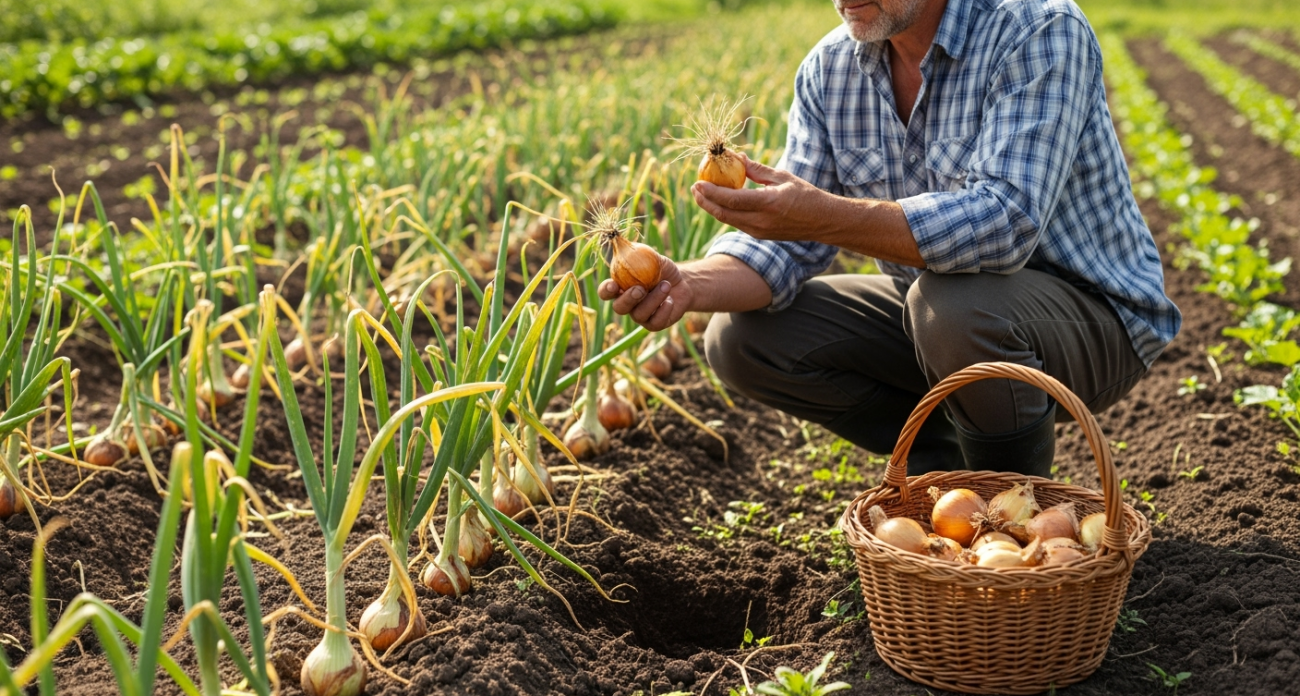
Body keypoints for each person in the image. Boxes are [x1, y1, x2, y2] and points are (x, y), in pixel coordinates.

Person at [598, 0, 1180, 477]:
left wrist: (825, 215)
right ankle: (941, 471)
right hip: (943, 322)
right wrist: (687, 284)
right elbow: (788, 245)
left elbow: (1006, 224)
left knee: (951, 306)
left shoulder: (1038, 29)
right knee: (740, 338)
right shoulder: (830, 71)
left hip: (1093, 320)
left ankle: (1009, 510)